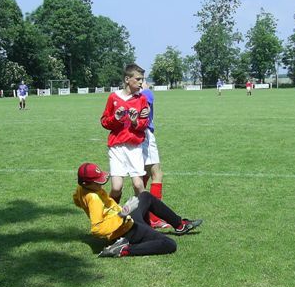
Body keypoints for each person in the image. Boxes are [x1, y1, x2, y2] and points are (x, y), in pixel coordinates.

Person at [73, 162, 203, 257]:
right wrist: (122, 214)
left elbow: (76, 199)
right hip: (124, 231)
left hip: (126, 221)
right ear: (86, 183)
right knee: (169, 244)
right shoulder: (93, 198)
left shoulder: (82, 189)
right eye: (97, 182)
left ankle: (180, 225)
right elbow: (97, 229)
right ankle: (123, 249)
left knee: (145, 196)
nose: (101, 183)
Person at [101, 63, 150, 204]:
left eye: (142, 79)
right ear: (127, 79)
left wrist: (135, 122)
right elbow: (104, 122)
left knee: (138, 185)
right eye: (138, 79)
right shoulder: (113, 98)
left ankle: (144, 219)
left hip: (135, 147)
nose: (141, 82)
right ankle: (110, 216)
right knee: (116, 187)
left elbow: (144, 124)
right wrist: (115, 118)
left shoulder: (141, 99)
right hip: (117, 146)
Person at [141, 83, 169, 228]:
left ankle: (143, 214)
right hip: (145, 134)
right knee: (157, 174)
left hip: (135, 136)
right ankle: (154, 218)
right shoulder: (147, 93)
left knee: (143, 175)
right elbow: (146, 106)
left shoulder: (125, 94)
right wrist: (146, 89)